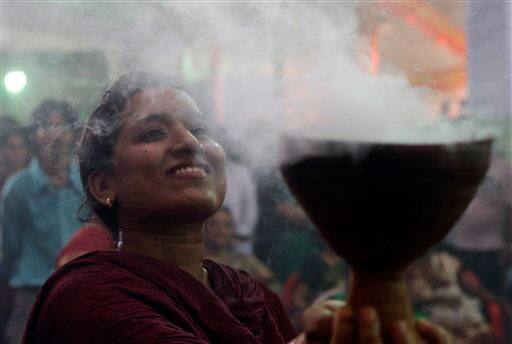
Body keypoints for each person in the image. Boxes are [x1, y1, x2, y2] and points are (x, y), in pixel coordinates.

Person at [23, 72, 449, 343]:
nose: (190, 144)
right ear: (103, 184)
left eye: (201, 130)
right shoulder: (85, 297)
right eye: (154, 132)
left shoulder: (251, 296)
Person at [1, 100, 84, 343]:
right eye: (46, 126)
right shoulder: (18, 189)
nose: (55, 135)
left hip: (80, 290)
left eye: (62, 127)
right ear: (33, 137)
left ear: (73, 134)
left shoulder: (86, 182)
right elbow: (10, 247)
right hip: (32, 292)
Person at [205, 206, 275, 288]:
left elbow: (270, 281)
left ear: (232, 230)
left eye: (226, 225)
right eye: (213, 224)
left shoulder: (244, 261)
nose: (220, 229)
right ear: (203, 228)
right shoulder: (195, 262)